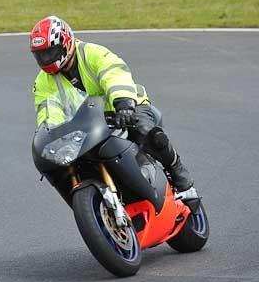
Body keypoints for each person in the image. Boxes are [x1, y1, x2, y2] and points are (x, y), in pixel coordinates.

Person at [29, 16, 194, 192]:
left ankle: (179, 173)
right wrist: (52, 135)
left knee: (147, 132)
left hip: (125, 108)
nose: (46, 59)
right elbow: (47, 112)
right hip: (88, 125)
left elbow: (114, 75)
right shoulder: (42, 82)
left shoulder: (92, 53)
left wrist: (123, 103)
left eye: (50, 52)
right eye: (40, 55)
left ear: (66, 42)